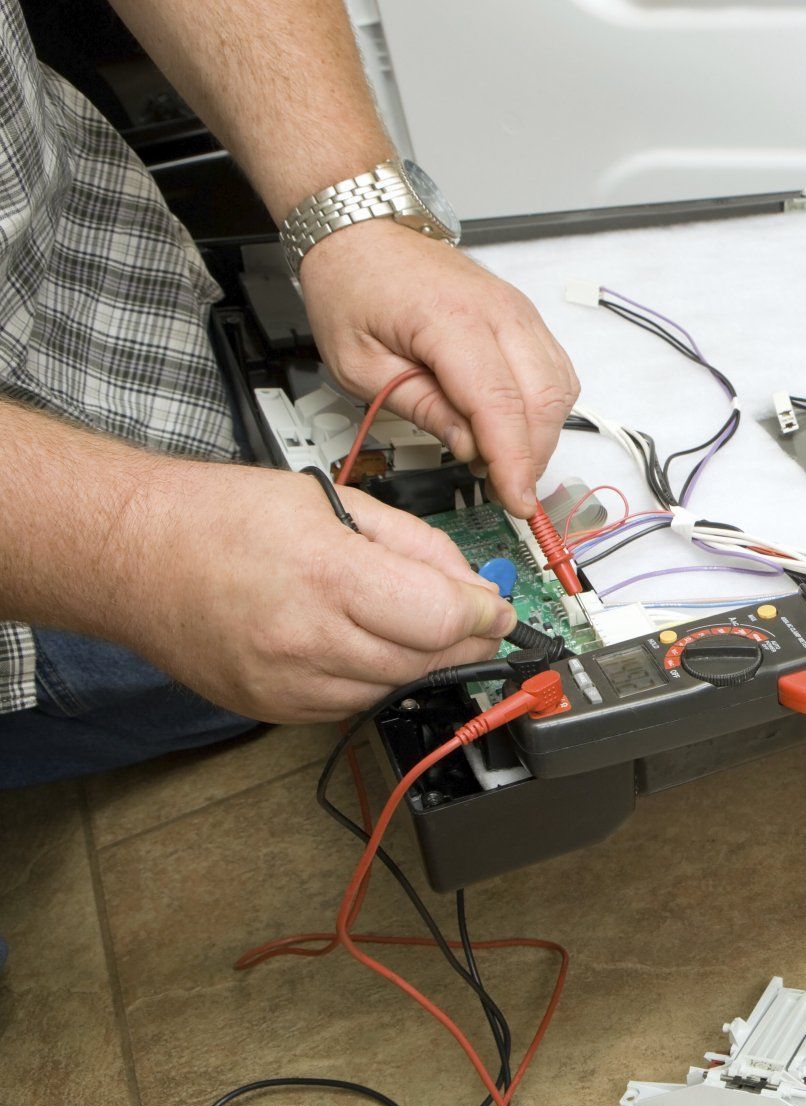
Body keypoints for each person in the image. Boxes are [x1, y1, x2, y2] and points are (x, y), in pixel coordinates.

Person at [0, 0, 580, 789]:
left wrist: (353, 218)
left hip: (109, 298)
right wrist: (132, 545)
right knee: (204, 690)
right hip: (29, 613)